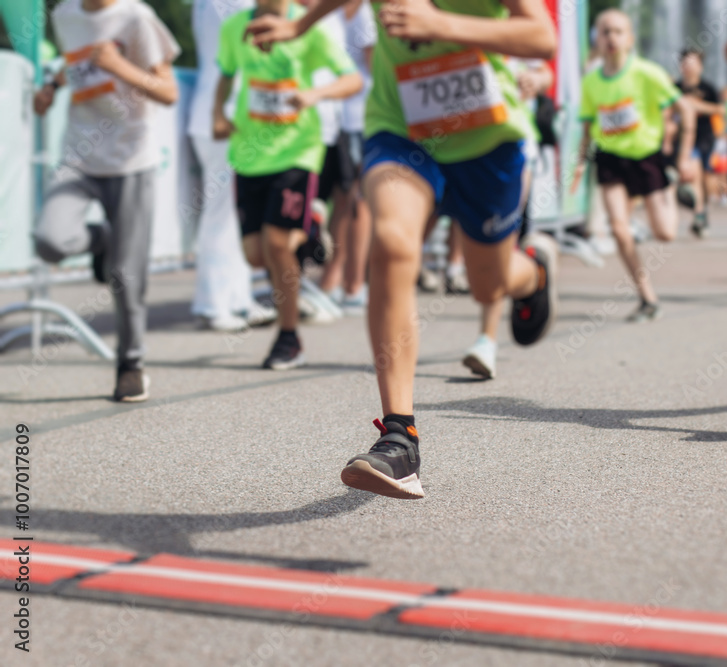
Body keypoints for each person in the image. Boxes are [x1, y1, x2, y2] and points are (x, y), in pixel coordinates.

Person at [247, 0, 560, 499]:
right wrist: (299, 23)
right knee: (392, 242)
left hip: (487, 135)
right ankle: (400, 437)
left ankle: (533, 276)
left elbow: (541, 38)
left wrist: (439, 24)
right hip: (402, 129)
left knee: (490, 283)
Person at [33, 0, 180, 402]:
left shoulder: (137, 17)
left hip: (131, 161)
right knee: (49, 239)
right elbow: (74, 64)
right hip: (78, 157)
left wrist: (120, 67)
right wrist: (50, 89)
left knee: (126, 277)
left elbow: (168, 91)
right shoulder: (64, 16)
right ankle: (99, 239)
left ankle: (130, 365)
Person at [213, 0, 361, 370]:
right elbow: (227, 73)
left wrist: (315, 95)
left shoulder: (309, 26)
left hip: (297, 151)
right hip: (249, 152)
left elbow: (353, 78)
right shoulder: (235, 28)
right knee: (256, 254)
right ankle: (309, 227)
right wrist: (217, 113)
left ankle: (289, 336)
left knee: (277, 243)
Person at [571, 9, 695, 323]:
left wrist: (683, 158)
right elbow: (587, 129)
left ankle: (671, 187)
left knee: (665, 234)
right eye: (605, 32)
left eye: (617, 32)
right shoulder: (591, 82)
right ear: (596, 39)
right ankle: (647, 297)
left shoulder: (646, 73)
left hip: (647, 158)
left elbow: (686, 110)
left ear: (629, 39)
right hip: (611, 158)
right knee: (619, 230)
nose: (611, 38)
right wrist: (579, 165)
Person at [461, 55, 553, 380]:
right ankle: (531, 270)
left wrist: (538, 80)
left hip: (506, 151)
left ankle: (486, 340)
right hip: (448, 145)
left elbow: (543, 62)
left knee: (498, 243)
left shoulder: (507, 17)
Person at [189, 0, 278, 332]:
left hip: (231, 115)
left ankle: (238, 299)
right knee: (221, 214)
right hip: (223, 117)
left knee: (236, 214)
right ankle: (212, 304)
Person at [311, 0, 376, 314]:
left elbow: (371, 66)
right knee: (354, 202)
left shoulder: (347, 11)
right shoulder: (350, 11)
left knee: (348, 201)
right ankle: (346, 285)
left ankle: (340, 283)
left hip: (349, 116)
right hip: (351, 116)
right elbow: (374, 65)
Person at [677, 48, 722, 237]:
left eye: (693, 62)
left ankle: (703, 211)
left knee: (706, 179)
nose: (689, 66)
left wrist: (697, 106)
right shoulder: (675, 87)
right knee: (693, 175)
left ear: (700, 66)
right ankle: (698, 215)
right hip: (686, 138)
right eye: (686, 62)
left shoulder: (708, 88)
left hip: (706, 137)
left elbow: (722, 110)